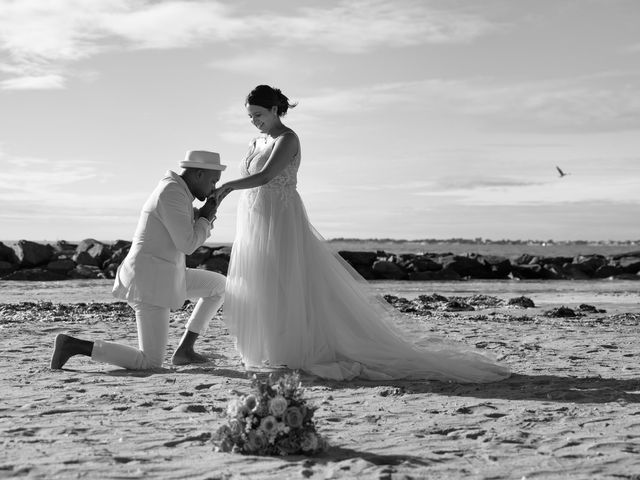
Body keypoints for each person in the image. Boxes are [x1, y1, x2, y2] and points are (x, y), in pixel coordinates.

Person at [214, 85, 510, 382]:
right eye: (250, 116)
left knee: (286, 280)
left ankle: (291, 348)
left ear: (275, 110)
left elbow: (266, 176)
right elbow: (252, 176)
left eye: (259, 114)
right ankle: (270, 346)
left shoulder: (288, 138)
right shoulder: (257, 140)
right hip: (255, 215)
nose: (254, 121)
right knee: (264, 281)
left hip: (280, 217)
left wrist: (227, 187)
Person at [50, 151, 227, 370]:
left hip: (168, 274)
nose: (213, 188)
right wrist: (204, 219)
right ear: (199, 174)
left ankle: (185, 350)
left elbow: (180, 230)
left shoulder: (177, 191)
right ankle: (73, 346)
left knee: (220, 286)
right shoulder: (171, 192)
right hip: (149, 281)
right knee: (150, 363)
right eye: (212, 181)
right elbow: (187, 244)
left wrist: (201, 216)